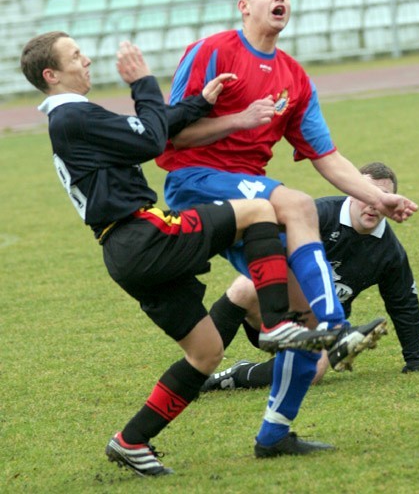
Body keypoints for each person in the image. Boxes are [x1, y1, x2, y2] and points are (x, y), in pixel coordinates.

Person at [20, 32, 340, 478]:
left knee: (206, 352)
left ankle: (132, 440)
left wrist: (200, 104)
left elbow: (152, 128)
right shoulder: (73, 116)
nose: (87, 60)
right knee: (259, 209)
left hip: (124, 254)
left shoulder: (73, 117)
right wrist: (143, 81)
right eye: (76, 56)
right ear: (51, 75)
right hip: (144, 233)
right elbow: (153, 140)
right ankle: (277, 323)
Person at [156, 0, 419, 456]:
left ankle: (273, 434)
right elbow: (168, 136)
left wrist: (377, 197)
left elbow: (327, 156)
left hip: (250, 203)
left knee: (303, 324)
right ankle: (339, 324)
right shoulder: (212, 51)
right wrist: (239, 118)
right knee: (297, 204)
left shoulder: (294, 77)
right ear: (244, 6)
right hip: (194, 182)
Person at [201, 161, 419, 392]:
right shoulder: (318, 215)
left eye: (382, 197)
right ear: (351, 192)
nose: (374, 204)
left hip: (320, 329)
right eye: (368, 194)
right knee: (246, 284)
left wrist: (415, 360)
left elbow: (404, 303)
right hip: (274, 314)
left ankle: (235, 375)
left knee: (313, 372)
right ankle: (196, 369)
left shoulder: (389, 253)